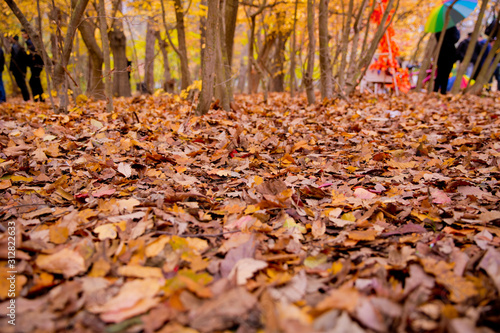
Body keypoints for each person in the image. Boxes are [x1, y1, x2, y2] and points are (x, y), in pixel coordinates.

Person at [434, 26, 460, 94]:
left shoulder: (440, 28)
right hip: (448, 54)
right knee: (445, 74)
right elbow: (456, 38)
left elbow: (437, 37)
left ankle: (436, 90)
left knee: (439, 73)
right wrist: (458, 31)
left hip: (441, 53)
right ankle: (442, 91)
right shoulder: (453, 28)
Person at [22, 29, 44, 102]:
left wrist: (32, 63)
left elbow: (34, 54)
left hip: (36, 65)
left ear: (27, 34)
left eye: (23, 34)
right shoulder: (30, 42)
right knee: (36, 81)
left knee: (33, 81)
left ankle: (38, 99)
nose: (22, 35)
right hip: (36, 65)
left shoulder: (30, 42)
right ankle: (40, 99)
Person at [9, 35, 30, 101]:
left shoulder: (15, 47)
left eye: (11, 37)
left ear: (13, 38)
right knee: (22, 84)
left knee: (22, 84)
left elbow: (15, 59)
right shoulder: (18, 46)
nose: (10, 39)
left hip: (19, 70)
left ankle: (26, 99)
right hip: (21, 69)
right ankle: (26, 98)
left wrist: (12, 68)